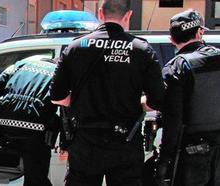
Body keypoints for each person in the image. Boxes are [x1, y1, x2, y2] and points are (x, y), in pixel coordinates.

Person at [50, 0, 165, 185]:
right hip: (126, 141)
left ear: (101, 14)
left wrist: (81, 101)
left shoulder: (75, 47)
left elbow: (57, 97)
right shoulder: (142, 50)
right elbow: (157, 100)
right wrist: (138, 103)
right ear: (128, 16)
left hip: (86, 141)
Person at [0, 57, 60, 186]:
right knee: (36, 174)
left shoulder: (19, 65)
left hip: (5, 123)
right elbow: (63, 102)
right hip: (34, 126)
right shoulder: (57, 71)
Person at [156, 9, 220, 186]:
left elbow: (173, 119)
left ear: (172, 39)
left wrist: (165, 159)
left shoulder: (176, 67)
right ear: (200, 32)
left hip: (192, 155)